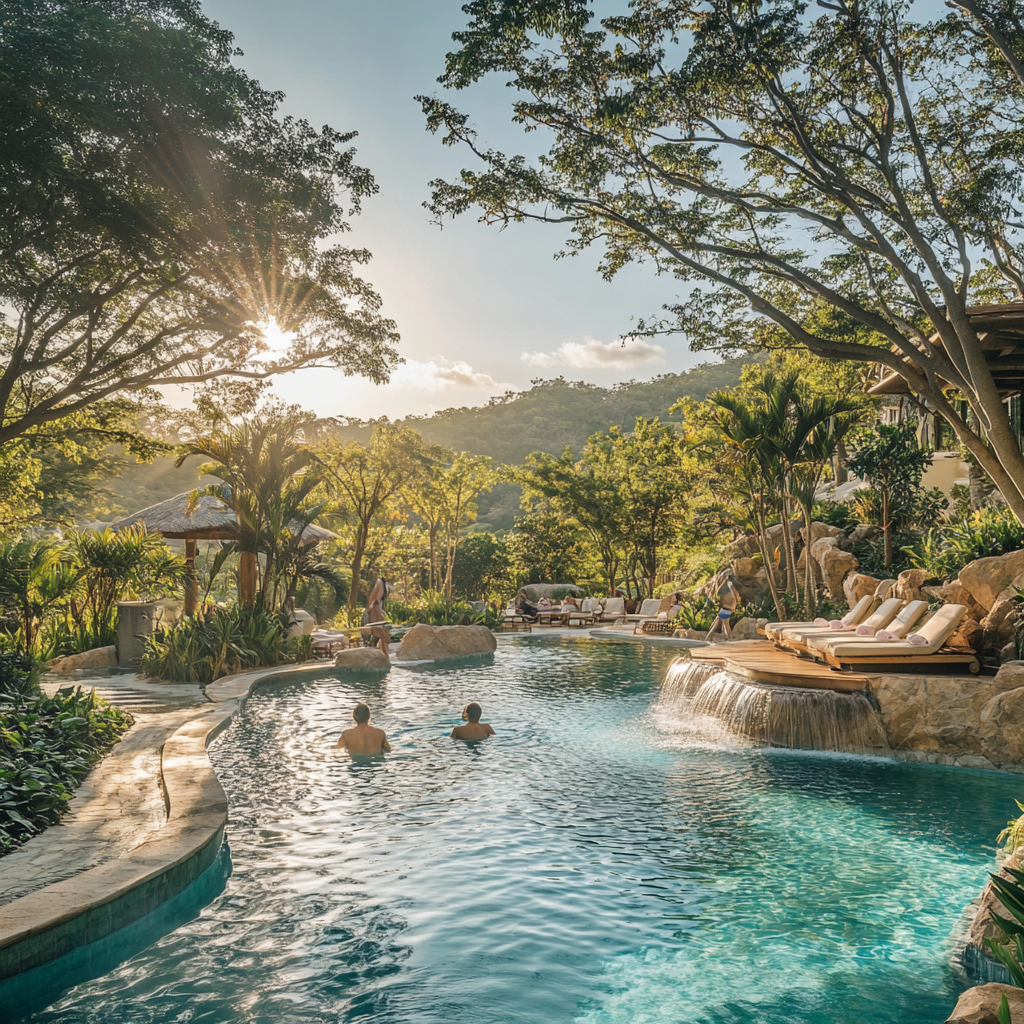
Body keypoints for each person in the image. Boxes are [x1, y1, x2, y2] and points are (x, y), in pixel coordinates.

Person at [360, 575, 392, 663]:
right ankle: (385, 657)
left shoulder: (378, 598)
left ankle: (385, 657)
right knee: (382, 636)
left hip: (374, 615)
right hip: (373, 616)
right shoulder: (376, 599)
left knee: (382, 636)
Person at [706, 575, 740, 640]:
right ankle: (729, 640)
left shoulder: (727, 588)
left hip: (725, 610)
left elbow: (719, 592)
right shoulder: (730, 589)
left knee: (719, 627)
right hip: (726, 610)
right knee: (724, 626)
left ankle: (707, 639)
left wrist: (725, 581)